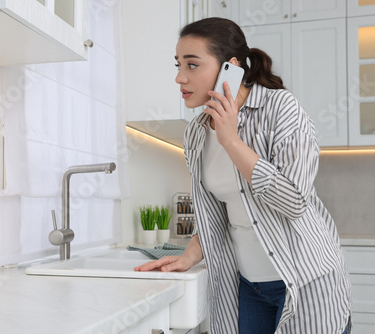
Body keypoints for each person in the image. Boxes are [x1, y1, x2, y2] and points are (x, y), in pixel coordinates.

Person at [134, 17, 352, 334]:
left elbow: (294, 201)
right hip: (247, 287)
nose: (180, 77)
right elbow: (216, 212)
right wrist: (191, 253)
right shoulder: (195, 133)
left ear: (231, 67)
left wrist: (231, 141)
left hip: (304, 282)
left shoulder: (280, 108)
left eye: (192, 65)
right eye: (178, 64)